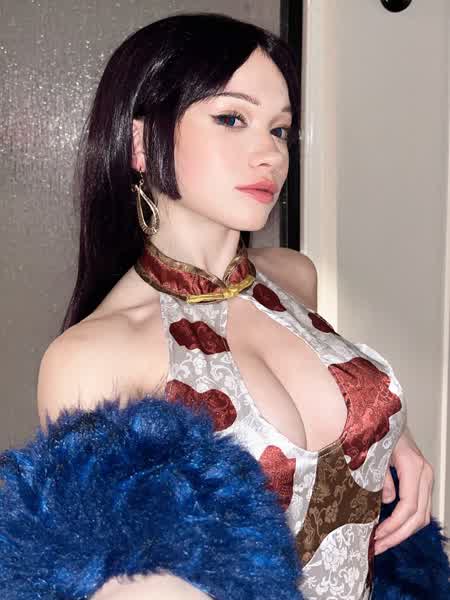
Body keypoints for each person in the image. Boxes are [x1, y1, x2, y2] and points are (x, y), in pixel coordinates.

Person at [33, 12, 436, 599]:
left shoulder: (294, 276)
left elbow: (326, 426)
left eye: (280, 130)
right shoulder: (92, 359)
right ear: (141, 144)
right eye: (231, 118)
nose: (269, 154)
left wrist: (389, 430)